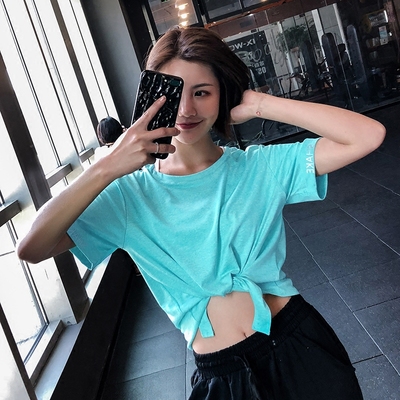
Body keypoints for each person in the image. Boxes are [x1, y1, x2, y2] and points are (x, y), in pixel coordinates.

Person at [17, 27, 385, 399]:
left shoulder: (259, 167)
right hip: (220, 377)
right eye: (174, 94)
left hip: (300, 347)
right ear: (153, 99)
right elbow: (32, 246)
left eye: (203, 92)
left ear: (222, 94)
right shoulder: (128, 196)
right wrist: (107, 166)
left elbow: (367, 135)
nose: (187, 110)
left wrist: (259, 104)